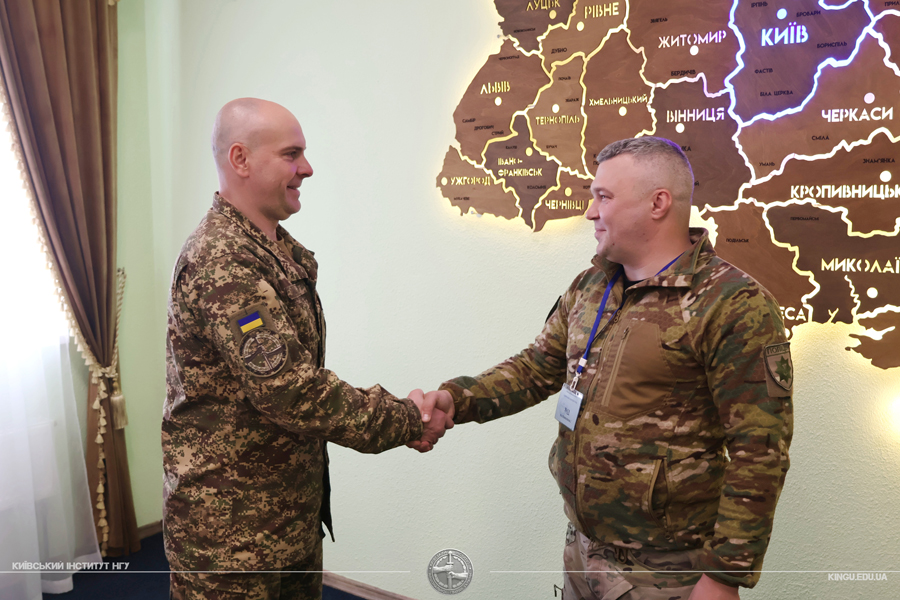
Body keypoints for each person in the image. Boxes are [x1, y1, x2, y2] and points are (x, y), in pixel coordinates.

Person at [416, 137, 793, 599]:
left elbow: (760, 450)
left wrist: (724, 576)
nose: (590, 212)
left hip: (666, 570)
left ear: (658, 203)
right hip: (582, 550)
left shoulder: (733, 303)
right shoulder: (593, 285)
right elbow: (536, 368)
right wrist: (455, 399)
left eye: (604, 197)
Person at [163, 98, 452, 600]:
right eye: (291, 154)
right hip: (230, 541)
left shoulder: (275, 251)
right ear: (240, 159)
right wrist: (407, 419)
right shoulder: (222, 260)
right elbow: (292, 391)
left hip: (285, 521)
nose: (307, 168)